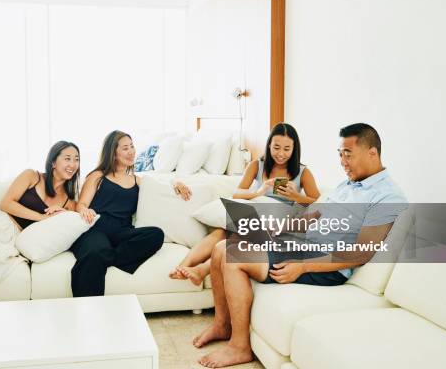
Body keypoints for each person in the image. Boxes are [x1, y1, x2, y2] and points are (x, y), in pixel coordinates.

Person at [194, 123, 407, 368]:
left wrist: (303, 267)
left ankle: (240, 347)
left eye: (348, 154)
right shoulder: (348, 184)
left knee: (234, 256)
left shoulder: (387, 196)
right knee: (223, 246)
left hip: (326, 265)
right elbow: (316, 216)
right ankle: (222, 325)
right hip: (305, 246)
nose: (342, 161)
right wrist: (281, 227)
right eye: (340, 154)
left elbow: (360, 253)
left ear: (372, 153)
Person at [169, 123, 320, 286]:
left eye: (286, 149)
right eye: (276, 147)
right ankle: (182, 267)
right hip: (256, 215)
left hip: (277, 227)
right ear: (269, 145)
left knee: (236, 234)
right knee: (222, 232)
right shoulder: (257, 165)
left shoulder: (302, 172)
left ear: (294, 148)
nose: (281, 154)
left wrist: (296, 196)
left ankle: (202, 270)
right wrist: (260, 191)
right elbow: (237, 193)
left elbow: (316, 200)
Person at [71, 130, 191, 297]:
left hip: (122, 232)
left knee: (156, 235)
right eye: (125, 148)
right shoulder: (98, 176)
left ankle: (107, 256)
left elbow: (160, 186)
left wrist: (175, 182)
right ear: (113, 153)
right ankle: (89, 305)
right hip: (96, 229)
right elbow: (81, 204)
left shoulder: (136, 180)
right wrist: (85, 210)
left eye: (132, 146)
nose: (131, 152)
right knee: (95, 252)